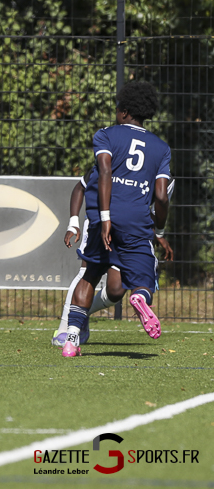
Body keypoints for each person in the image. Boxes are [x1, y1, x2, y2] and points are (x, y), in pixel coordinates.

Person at [62, 81, 171, 357]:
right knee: (144, 277)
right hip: (136, 220)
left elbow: (105, 170)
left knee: (90, 274)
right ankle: (140, 297)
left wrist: (105, 217)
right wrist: (159, 230)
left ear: (124, 112)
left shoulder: (106, 135)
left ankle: (71, 340)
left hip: (103, 217)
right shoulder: (161, 148)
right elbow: (161, 196)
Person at [51, 169, 173, 347]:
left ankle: (81, 314)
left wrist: (151, 232)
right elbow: (80, 187)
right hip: (99, 223)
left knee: (116, 290)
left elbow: (157, 210)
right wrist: (73, 223)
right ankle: (65, 330)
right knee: (87, 273)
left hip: (129, 228)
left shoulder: (163, 176)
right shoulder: (110, 161)